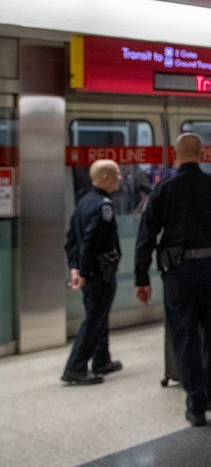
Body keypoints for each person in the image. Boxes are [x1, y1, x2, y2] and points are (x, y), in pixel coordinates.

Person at [135, 133, 211, 427]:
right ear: (203, 154)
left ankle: (196, 403)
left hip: (178, 273)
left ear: (175, 153)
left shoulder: (163, 190)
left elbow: (146, 236)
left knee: (185, 336)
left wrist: (141, 277)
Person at [61, 159, 123, 385]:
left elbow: (71, 240)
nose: (121, 177)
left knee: (100, 316)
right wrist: (84, 272)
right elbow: (89, 242)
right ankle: (75, 368)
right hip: (99, 273)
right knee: (94, 320)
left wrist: (75, 268)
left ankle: (101, 360)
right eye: (117, 173)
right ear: (105, 178)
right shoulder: (103, 206)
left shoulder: (85, 202)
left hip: (90, 272)